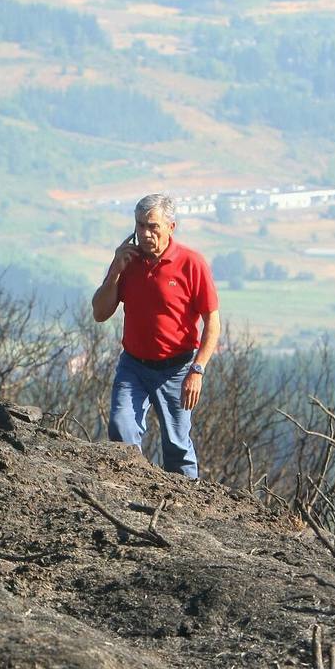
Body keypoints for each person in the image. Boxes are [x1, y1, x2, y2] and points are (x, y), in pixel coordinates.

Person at [91, 193, 220, 479]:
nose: (145, 233)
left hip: (178, 369)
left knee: (177, 447)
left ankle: (190, 507)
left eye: (153, 226)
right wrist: (114, 270)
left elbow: (213, 323)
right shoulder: (128, 263)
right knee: (121, 429)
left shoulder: (191, 263)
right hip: (133, 366)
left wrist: (197, 370)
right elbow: (100, 313)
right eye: (140, 226)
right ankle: (135, 487)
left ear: (171, 227)